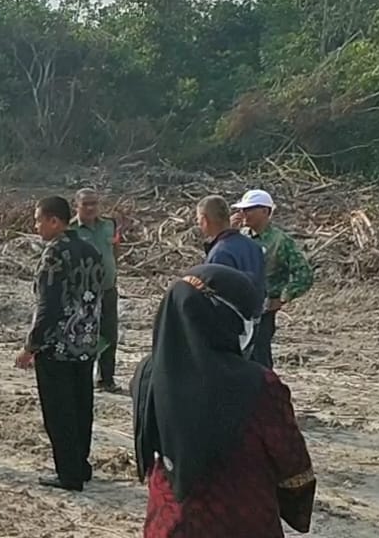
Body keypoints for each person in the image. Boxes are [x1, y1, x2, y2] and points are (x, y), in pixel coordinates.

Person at [133, 263, 316, 537]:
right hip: (240, 520)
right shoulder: (259, 384)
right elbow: (292, 463)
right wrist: (295, 505)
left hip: (169, 523)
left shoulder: (148, 374)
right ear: (224, 319)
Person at [15, 196, 104, 492]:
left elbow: (48, 306)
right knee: (82, 407)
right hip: (87, 341)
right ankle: (81, 464)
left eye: (39, 219)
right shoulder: (91, 250)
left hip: (58, 345)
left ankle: (69, 474)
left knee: (59, 411)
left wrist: (31, 346)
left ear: (55, 221)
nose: (36, 225)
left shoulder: (54, 254)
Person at [233, 189, 314, 370]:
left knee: (259, 357)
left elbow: (304, 273)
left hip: (263, 310)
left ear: (265, 211)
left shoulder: (280, 241)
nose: (244, 214)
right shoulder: (240, 237)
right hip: (239, 308)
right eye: (243, 210)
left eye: (249, 209)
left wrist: (283, 297)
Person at [71, 188, 123, 393]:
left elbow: (115, 250)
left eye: (94, 203)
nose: (91, 208)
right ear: (77, 206)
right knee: (83, 333)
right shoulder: (71, 229)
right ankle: (82, 377)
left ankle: (106, 378)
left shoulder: (109, 225)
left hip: (108, 289)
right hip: (83, 293)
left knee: (109, 334)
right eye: (86, 204)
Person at [198, 195, 266, 299]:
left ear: (204, 220)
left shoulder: (219, 253)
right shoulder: (253, 246)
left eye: (198, 220)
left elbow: (221, 300)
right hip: (256, 312)